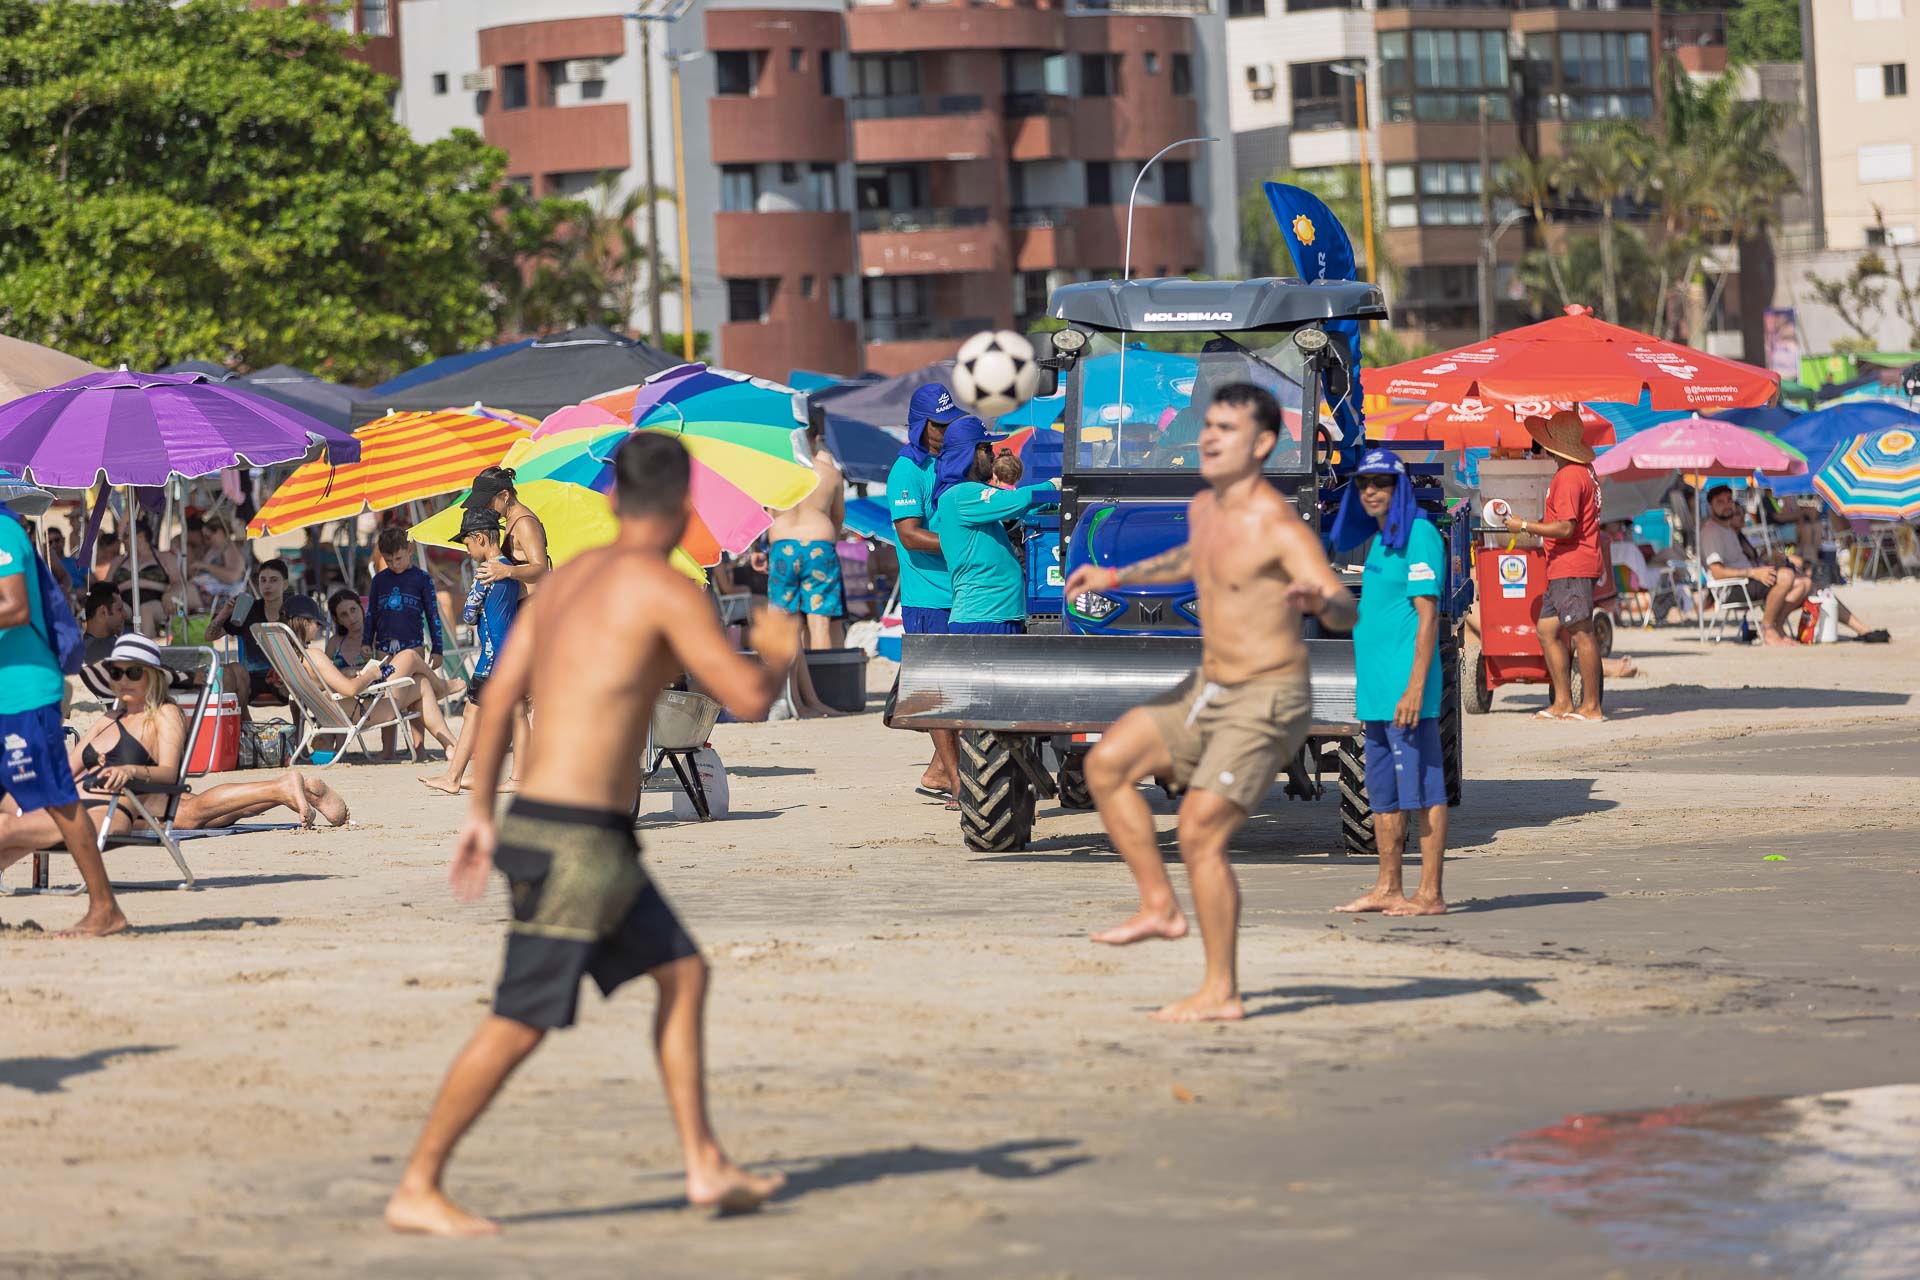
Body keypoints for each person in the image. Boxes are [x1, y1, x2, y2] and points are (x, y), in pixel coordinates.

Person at [385, 432, 797, 1237]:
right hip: (578, 842)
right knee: (521, 1019)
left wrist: (478, 815)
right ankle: (418, 1182)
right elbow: (744, 695)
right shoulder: (668, 588)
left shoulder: (567, 583)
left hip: (564, 830)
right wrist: (780, 647)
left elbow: (500, 698)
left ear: (611, 503)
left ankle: (704, 1163)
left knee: (683, 975)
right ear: (683, 511)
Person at [1063, 384, 1356, 1023]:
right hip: (1209, 688)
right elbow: (1188, 558)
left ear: (1263, 444)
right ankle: (1158, 907)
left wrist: (1322, 601)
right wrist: (1113, 576)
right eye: (1209, 425)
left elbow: (1340, 603)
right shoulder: (1204, 508)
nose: (1210, 437)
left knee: (1197, 831)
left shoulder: (1279, 526)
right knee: (1106, 765)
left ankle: (1221, 991)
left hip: (1268, 699)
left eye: (1228, 428)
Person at [0, 636, 349, 878]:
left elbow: (170, 774)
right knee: (209, 816)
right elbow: (67, 768)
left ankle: (282, 787)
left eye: (133, 672)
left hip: (147, 802)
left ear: (151, 676)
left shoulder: (164, 714)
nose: (123, 680)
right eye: (116, 673)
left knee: (193, 815)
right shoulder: (107, 718)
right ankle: (283, 789)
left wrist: (130, 769)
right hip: (101, 802)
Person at [1326, 450, 1448, 917]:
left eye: (1382, 483)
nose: (1371, 491)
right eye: (1364, 484)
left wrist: (1415, 687)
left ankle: (1431, 894)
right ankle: (1387, 887)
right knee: (1383, 794)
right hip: (1375, 695)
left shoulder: (1419, 534)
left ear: (1400, 488)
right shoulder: (1379, 542)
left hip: (1405, 693)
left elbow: (1427, 616)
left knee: (1424, 792)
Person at [0, 508, 126, 935]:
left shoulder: (2, 530)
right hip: (8, 692)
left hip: (25, 693)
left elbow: (14, 607)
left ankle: (104, 907)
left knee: (57, 798)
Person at [1494, 412, 1604, 721]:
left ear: (1552, 446)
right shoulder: (1585, 471)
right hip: (1566, 565)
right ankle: (1563, 701)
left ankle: (1591, 706)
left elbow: (1566, 528)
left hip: (1573, 563)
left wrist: (1525, 525)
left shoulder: (1569, 476)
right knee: (1547, 630)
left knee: (1581, 632)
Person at [887, 384, 963, 799]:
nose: (946, 430)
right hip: (928, 597)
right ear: (919, 426)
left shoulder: (954, 459)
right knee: (939, 692)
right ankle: (956, 784)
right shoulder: (906, 469)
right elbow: (911, 535)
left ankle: (936, 774)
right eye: (939, 424)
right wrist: (966, 546)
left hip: (966, 593)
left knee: (965, 690)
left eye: (951, 422)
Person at [421, 509, 523, 794]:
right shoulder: (510, 569)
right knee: (512, 716)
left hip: (491, 657)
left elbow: (467, 614)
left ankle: (453, 777)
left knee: (472, 713)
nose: (467, 551)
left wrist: (474, 606)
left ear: (479, 538)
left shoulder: (487, 572)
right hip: (511, 653)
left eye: (467, 544)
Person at [278, 598, 460, 756]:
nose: (318, 628)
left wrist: (346, 673)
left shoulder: (292, 658)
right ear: (304, 622)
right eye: (316, 623)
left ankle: (451, 745)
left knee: (422, 683)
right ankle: (443, 688)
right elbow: (350, 689)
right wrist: (371, 674)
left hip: (340, 711)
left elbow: (324, 683)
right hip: (365, 711)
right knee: (409, 656)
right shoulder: (314, 655)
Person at [930, 417, 1058, 638]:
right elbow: (1018, 500)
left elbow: (1015, 506)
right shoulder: (961, 494)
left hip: (996, 615)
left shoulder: (968, 496)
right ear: (968, 452)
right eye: (986, 448)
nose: (993, 454)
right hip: (983, 617)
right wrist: (1054, 486)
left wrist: (1049, 500)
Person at [767, 420, 848, 649]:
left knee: (784, 620)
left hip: (783, 545)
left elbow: (768, 513)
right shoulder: (831, 474)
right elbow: (838, 516)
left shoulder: (776, 471)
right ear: (815, 440)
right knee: (820, 623)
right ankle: (820, 681)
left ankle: (789, 683)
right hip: (819, 546)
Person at [207, 557, 295, 707]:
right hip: (250, 679)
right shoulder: (248, 610)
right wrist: (225, 612)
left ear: (285, 584)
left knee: (297, 680)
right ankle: (244, 725)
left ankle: (297, 729)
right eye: (263, 580)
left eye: (273, 580)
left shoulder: (293, 611)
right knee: (233, 670)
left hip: (283, 677)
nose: (267, 586)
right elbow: (209, 636)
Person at [463, 467, 550, 595]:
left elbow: (541, 568)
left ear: (505, 495)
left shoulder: (524, 523)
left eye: (487, 503)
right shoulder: (511, 520)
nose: (484, 509)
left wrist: (507, 570)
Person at [365, 528, 447, 661]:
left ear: (409, 550)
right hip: (383, 645)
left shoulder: (422, 578)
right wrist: (366, 641)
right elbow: (371, 613)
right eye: (388, 561)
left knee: (413, 681)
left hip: (413, 643)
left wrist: (437, 649)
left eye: (398, 558)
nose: (395, 564)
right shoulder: (379, 580)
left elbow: (432, 615)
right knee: (386, 681)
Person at [81, 582, 130, 663]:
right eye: (119, 609)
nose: (125, 615)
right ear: (103, 612)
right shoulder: (92, 652)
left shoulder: (82, 649)